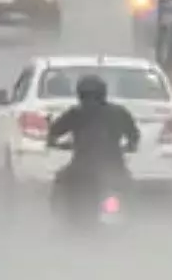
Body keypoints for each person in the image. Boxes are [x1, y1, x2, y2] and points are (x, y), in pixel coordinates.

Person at [44, 74, 139, 210]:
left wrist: (53, 142)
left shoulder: (75, 113)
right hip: (114, 167)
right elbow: (134, 135)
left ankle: (60, 217)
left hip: (81, 168)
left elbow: (54, 131)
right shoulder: (119, 112)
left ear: (80, 94)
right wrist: (130, 145)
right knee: (129, 191)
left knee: (60, 183)